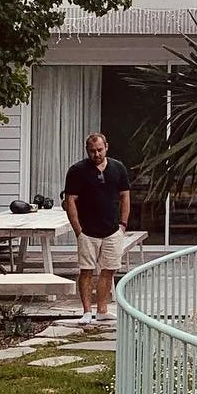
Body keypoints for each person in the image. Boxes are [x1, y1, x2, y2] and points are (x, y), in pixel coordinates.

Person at [63, 131, 131, 326]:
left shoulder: (118, 168)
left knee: (108, 270)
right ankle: (86, 311)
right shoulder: (77, 171)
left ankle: (102, 310)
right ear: (87, 150)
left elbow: (125, 195)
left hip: (112, 230)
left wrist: (123, 224)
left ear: (106, 147)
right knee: (86, 271)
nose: (96, 154)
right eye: (92, 151)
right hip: (87, 231)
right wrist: (78, 229)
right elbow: (70, 200)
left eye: (100, 150)